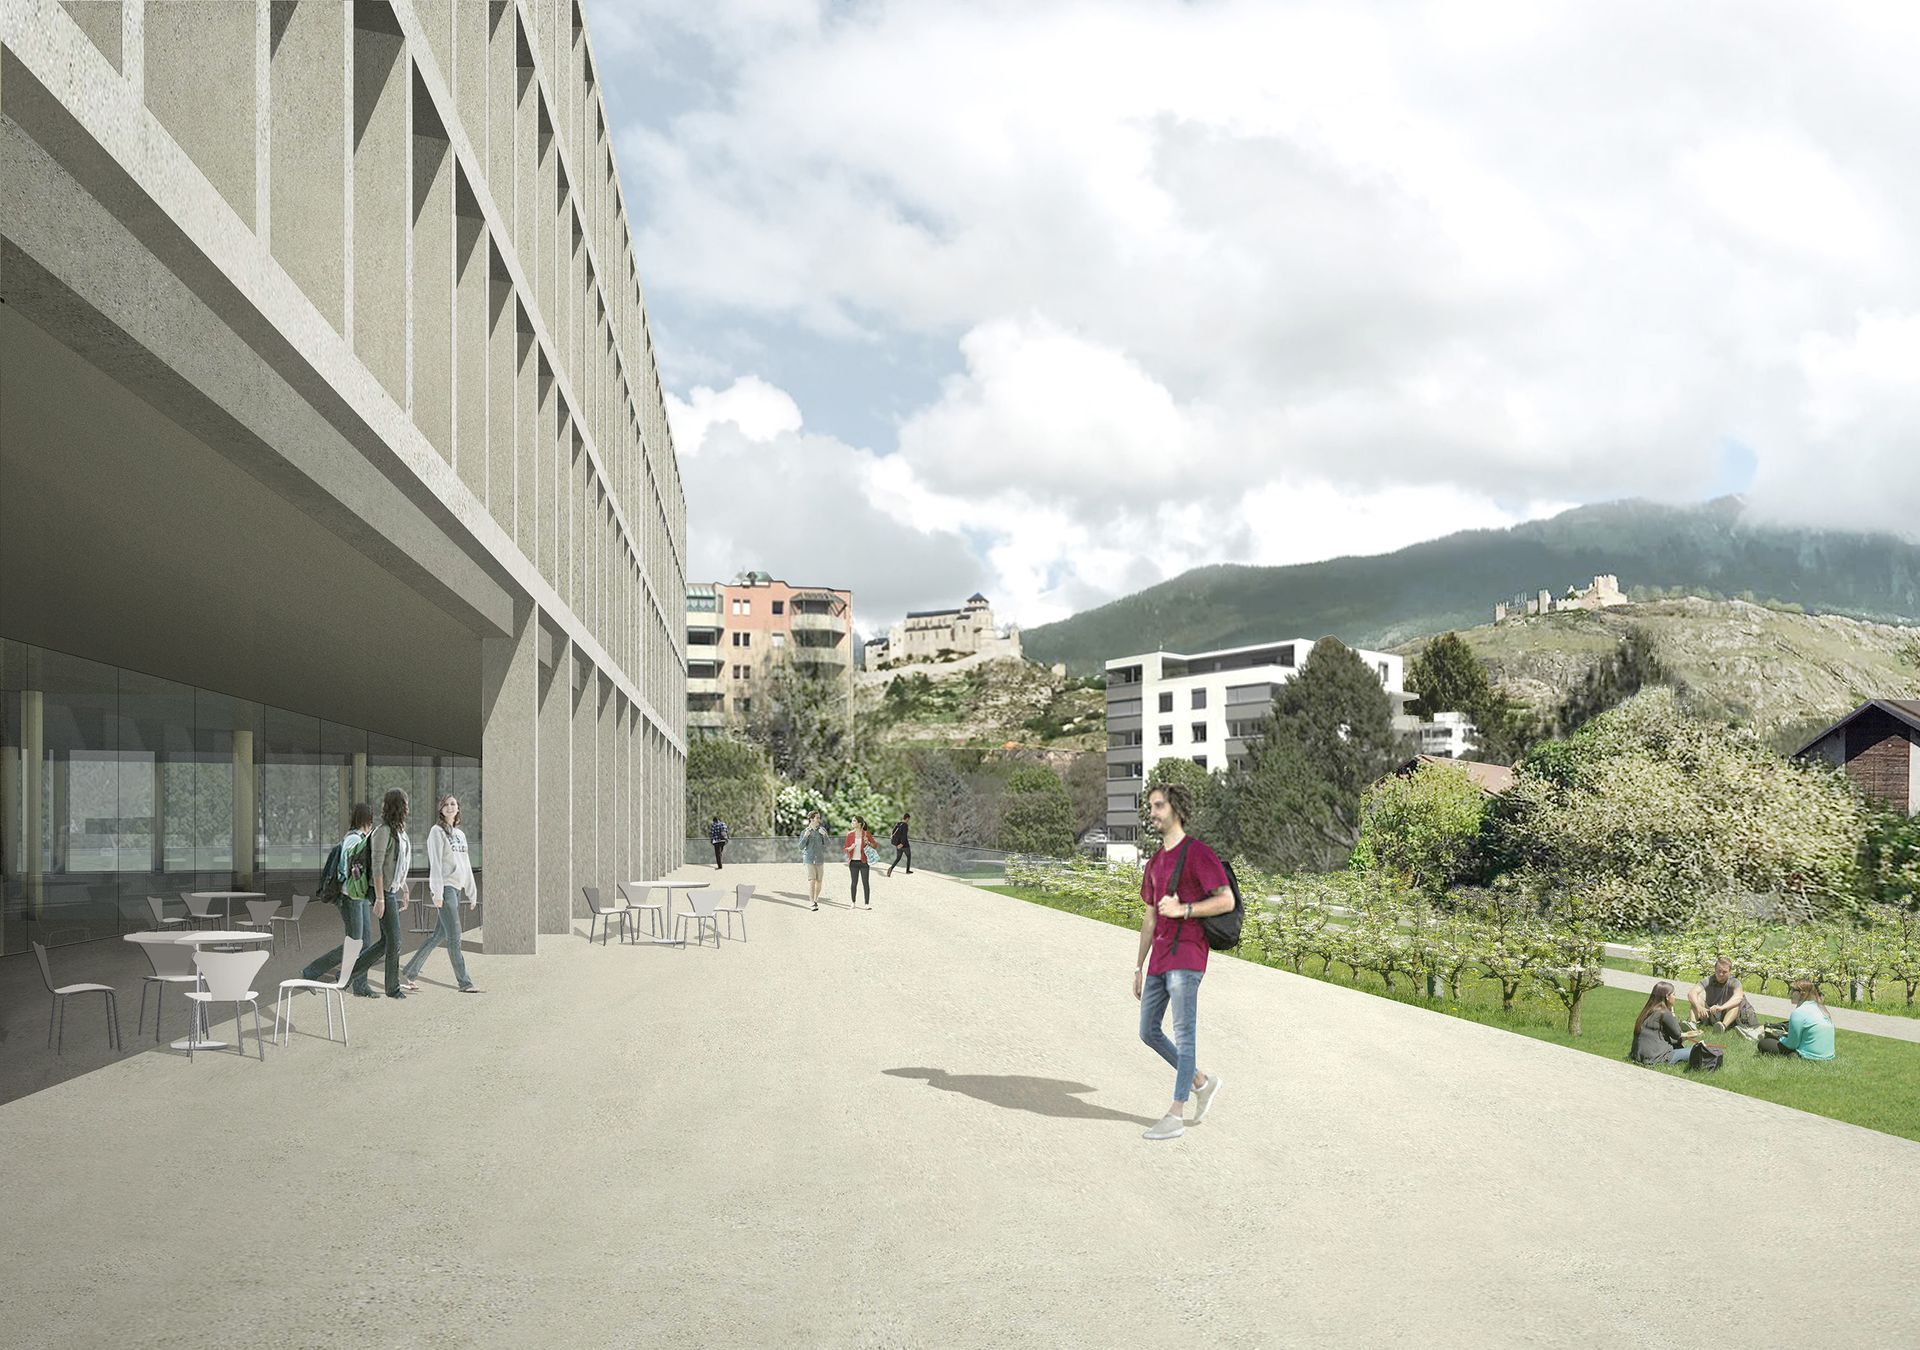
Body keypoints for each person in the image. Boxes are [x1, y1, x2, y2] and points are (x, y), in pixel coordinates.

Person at [1134, 782, 1229, 1141]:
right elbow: (1149, 917)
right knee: (1148, 1032)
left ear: (1175, 809)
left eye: (1159, 806)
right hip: (1159, 957)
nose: (1153, 813)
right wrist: (1138, 966)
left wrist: (1185, 909)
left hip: (1188, 954)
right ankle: (1201, 1082)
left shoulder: (1198, 853)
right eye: (1152, 807)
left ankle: (1175, 1113)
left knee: (1184, 1033)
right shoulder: (1156, 862)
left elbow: (1225, 901)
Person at [401, 793, 480, 993]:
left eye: (453, 804)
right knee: (455, 936)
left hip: (457, 888)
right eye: (446, 805)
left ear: (458, 808)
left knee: (439, 935)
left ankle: (410, 971)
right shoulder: (436, 832)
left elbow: (466, 865)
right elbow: (435, 864)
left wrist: (472, 892)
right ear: (441, 809)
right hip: (445, 889)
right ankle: (465, 982)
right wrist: (436, 892)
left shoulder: (460, 834)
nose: (450, 807)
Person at [300, 803, 376, 987]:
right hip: (350, 897)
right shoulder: (354, 840)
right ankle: (311, 971)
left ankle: (360, 985)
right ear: (368, 821)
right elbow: (347, 870)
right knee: (355, 943)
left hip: (358, 897)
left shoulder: (356, 838)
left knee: (365, 943)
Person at [349, 788, 411, 999]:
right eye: (406, 803)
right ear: (399, 806)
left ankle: (347, 974)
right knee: (395, 941)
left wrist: (403, 885)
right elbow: (376, 867)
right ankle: (392, 989)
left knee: (386, 942)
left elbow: (396, 864)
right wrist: (381, 898)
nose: (408, 807)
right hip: (383, 893)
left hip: (391, 890)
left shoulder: (399, 831)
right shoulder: (383, 831)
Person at [1687, 956, 1759, 1041]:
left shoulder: (1734, 982)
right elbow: (1691, 993)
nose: (1721, 974)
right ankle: (1692, 1024)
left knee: (1735, 1005)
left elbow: (1738, 997)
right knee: (1696, 999)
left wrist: (1721, 1007)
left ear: (1730, 972)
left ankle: (1722, 1026)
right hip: (1711, 1011)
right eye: (1719, 971)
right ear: (1715, 970)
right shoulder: (1709, 979)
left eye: (1724, 972)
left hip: (1727, 1014)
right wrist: (1699, 1007)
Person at [1758, 981, 1835, 1060]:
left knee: (1764, 1043)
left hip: (1809, 1056)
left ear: (1802, 993)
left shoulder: (1799, 1012)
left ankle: (1793, 1056)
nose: (1790, 993)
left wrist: (1779, 1037)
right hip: (1828, 1057)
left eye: (1792, 990)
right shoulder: (1820, 1009)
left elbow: (1792, 1045)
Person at [1630, 981, 1701, 1066]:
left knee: (1679, 1047)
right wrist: (1672, 1012)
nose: (1675, 997)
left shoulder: (1647, 1010)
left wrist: (1686, 1035)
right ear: (1667, 996)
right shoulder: (1664, 1012)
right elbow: (1677, 1034)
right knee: (1700, 1050)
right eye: (1674, 994)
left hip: (1637, 1057)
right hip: (1657, 1059)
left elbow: (1663, 1037)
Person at [843, 815, 880, 908]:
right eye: (852, 821)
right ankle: (853, 903)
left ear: (859, 823)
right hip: (853, 863)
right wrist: (850, 848)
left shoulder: (866, 834)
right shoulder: (850, 834)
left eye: (854, 821)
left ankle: (866, 904)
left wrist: (868, 842)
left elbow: (875, 846)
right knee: (854, 883)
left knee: (865, 883)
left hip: (864, 862)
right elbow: (845, 849)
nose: (852, 823)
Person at [798, 809, 831, 910]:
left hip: (820, 859)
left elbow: (828, 844)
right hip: (809, 859)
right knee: (812, 880)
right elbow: (800, 846)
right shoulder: (805, 831)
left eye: (819, 818)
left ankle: (816, 899)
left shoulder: (822, 830)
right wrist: (805, 837)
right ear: (811, 819)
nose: (819, 820)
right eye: (817, 818)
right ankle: (811, 902)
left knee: (819, 881)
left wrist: (824, 835)